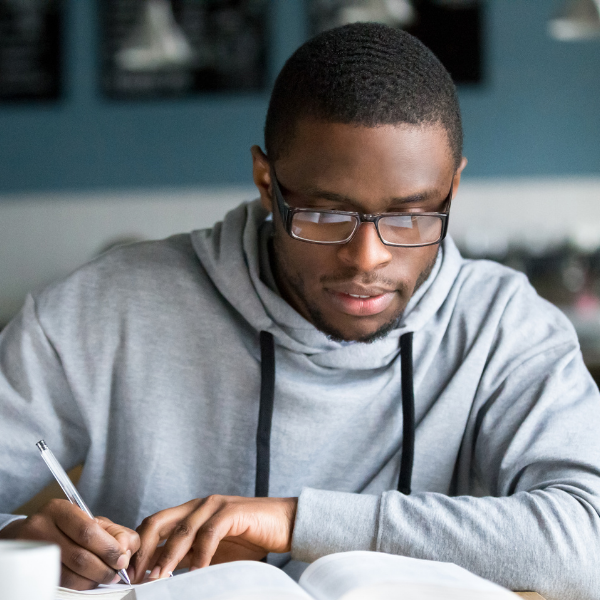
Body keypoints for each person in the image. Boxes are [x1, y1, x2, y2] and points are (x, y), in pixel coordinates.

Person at [1, 22, 599, 599]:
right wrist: (14, 545)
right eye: (326, 214)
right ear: (268, 183)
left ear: (452, 190)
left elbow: (589, 543)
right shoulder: (100, 310)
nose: (368, 258)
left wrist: (295, 522)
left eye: (411, 217)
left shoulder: (505, 327)